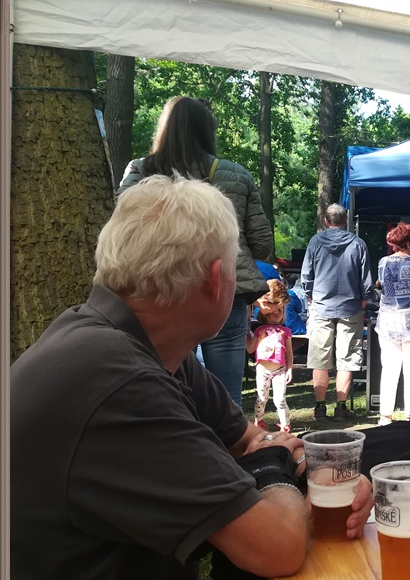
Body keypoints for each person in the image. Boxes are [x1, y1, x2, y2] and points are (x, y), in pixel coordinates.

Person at [10, 175, 374, 580]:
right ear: (216, 278)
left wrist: (321, 474)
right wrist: (277, 470)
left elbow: (249, 441)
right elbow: (277, 546)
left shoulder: (147, 346)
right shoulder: (118, 381)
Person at [119, 95, 273, 406]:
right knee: (226, 397)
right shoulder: (236, 174)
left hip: (160, 294)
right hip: (223, 295)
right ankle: (228, 438)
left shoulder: (139, 172)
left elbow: (121, 229)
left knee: (168, 392)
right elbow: (262, 245)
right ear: (207, 130)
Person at [301, 203, 373, 420]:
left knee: (319, 359)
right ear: (346, 220)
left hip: (321, 307)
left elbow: (306, 275)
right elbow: (366, 279)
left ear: (326, 221)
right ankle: (341, 407)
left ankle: (320, 408)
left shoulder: (315, 242)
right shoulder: (358, 244)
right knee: (347, 359)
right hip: (350, 308)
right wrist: (363, 302)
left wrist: (311, 296)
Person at [375, 222, 410, 426]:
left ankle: (385, 416)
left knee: (389, 370)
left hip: (388, 323)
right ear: (408, 243)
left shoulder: (383, 263)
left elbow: (382, 285)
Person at [247, 279, 293, 433]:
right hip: (262, 370)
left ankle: (285, 425)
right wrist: (246, 334)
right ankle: (258, 420)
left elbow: (289, 353)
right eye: (274, 311)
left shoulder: (285, 332)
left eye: (280, 310)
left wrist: (290, 369)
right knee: (261, 398)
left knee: (280, 399)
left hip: (280, 370)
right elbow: (250, 349)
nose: (276, 313)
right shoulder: (259, 330)